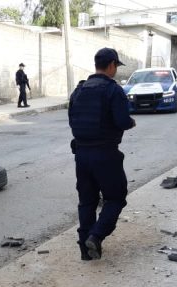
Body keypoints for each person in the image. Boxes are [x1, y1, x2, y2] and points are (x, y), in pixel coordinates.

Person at [68, 48, 136, 261]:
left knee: (87, 201)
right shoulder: (112, 90)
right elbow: (123, 121)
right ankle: (96, 237)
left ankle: (85, 250)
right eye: (116, 66)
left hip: (81, 154)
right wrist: (131, 122)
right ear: (112, 65)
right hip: (106, 154)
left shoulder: (79, 90)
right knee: (115, 198)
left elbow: (72, 120)